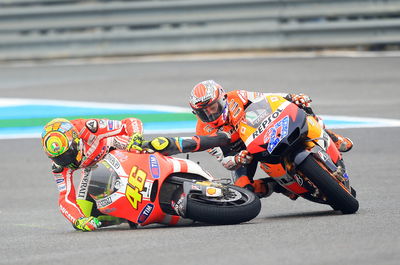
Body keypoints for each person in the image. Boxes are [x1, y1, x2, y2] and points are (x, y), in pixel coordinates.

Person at [134, 80, 353, 199]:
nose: (210, 114)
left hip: (262, 131)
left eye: (213, 107)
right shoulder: (204, 130)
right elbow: (225, 161)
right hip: (243, 153)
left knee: (301, 107)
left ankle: (332, 136)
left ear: (222, 99)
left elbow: (269, 98)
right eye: (204, 111)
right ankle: (279, 186)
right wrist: (238, 159)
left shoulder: (237, 96)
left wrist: (291, 97)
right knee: (244, 189)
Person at [41, 117, 144, 231]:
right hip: (93, 168)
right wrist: (79, 220)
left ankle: (163, 154)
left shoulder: (89, 128)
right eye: (59, 159)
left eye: (68, 154)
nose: (66, 162)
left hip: (114, 148)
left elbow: (130, 122)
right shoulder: (59, 166)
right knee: (83, 216)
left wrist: (135, 136)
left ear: (76, 140)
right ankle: (122, 217)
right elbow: (65, 198)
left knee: (140, 147)